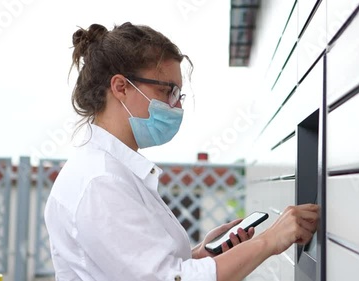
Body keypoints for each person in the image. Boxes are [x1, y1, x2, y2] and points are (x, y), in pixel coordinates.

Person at [44, 22, 319, 281]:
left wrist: (201, 254)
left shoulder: (111, 171)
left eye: (179, 96)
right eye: (168, 92)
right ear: (121, 87)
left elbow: (144, 268)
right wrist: (270, 241)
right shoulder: (100, 182)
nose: (176, 107)